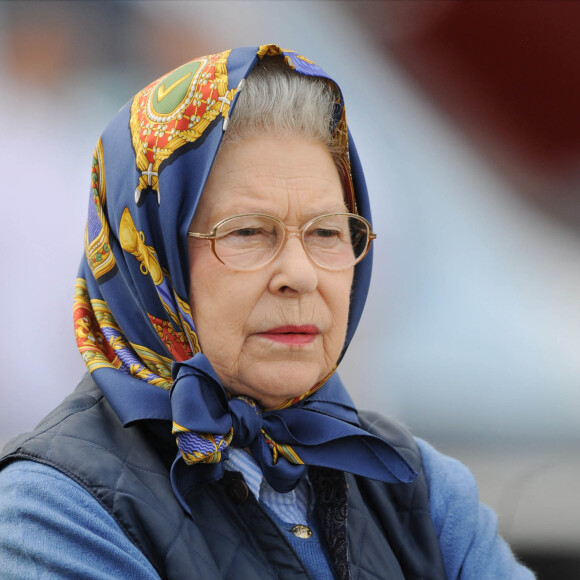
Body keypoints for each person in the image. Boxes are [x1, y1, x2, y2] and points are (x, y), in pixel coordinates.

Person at [0, 44, 535, 579]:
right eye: (248, 232)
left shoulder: (419, 488)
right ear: (150, 259)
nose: (299, 275)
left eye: (327, 232)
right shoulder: (55, 511)